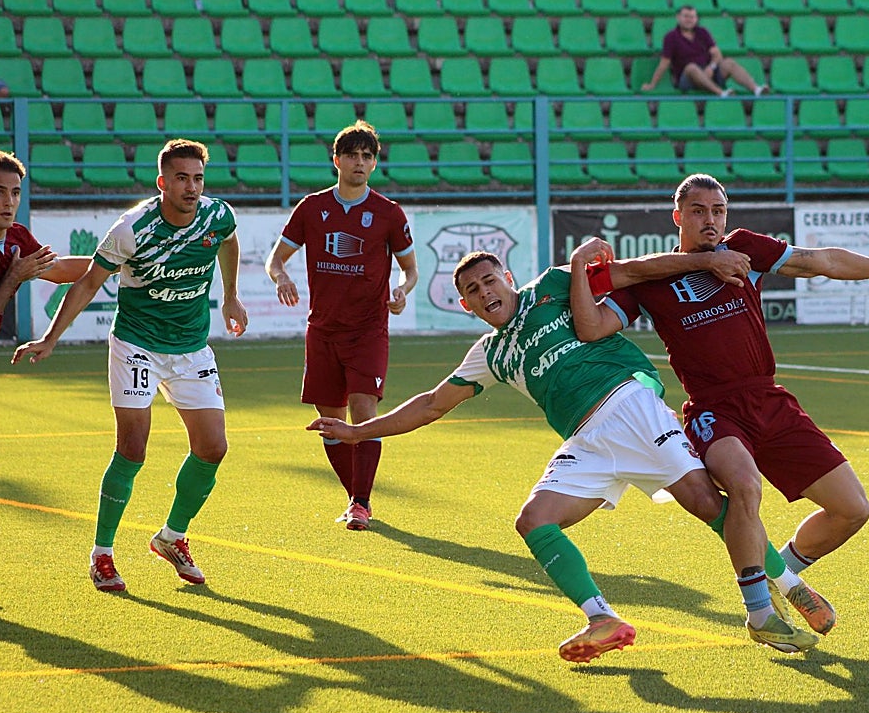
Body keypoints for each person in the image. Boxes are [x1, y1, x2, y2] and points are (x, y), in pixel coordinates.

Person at [308, 248, 822, 663]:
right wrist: (358, 432)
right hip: (586, 439)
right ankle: (602, 617)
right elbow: (431, 404)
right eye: (473, 291)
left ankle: (787, 585)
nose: (485, 292)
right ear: (465, 305)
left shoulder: (553, 285)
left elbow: (635, 271)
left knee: (708, 505)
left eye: (490, 281)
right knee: (534, 521)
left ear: (508, 278)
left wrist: (706, 260)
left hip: (629, 405)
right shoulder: (489, 353)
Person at [570, 174, 869, 627]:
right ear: (677, 217)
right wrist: (579, 267)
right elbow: (591, 327)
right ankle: (760, 613)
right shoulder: (650, 277)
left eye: (718, 211)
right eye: (698, 211)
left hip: (769, 400)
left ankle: (779, 574)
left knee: (852, 509)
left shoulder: (743, 249)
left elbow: (821, 261)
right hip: (714, 410)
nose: (710, 220)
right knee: (745, 487)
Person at [13, 139, 248, 593]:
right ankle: (102, 554)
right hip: (136, 345)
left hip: (191, 349)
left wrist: (232, 295)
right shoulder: (132, 228)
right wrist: (51, 337)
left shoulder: (217, 215)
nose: (192, 187)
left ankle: (172, 537)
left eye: (198, 178)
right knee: (133, 448)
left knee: (213, 447)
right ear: (162, 182)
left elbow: (229, 241)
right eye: (182, 178)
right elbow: (88, 283)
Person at [265, 121, 418, 532]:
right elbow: (275, 259)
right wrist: (281, 277)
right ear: (336, 160)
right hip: (323, 330)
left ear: (375, 163)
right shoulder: (311, 208)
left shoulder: (388, 213)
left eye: (367, 156)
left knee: (363, 413)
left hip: (368, 329)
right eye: (352, 155)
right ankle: (355, 496)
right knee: (330, 421)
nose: (359, 162)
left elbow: (410, 270)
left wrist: (401, 290)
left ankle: (360, 503)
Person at [0, 150, 91, 604]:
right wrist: (15, 277)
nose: (8, 202)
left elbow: (57, 271)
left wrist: (116, 262)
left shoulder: (17, 238)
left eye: (15, 193)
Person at [642, 5, 765, 97]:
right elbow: (664, 63)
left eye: (692, 17)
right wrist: (652, 84)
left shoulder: (703, 32)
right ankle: (721, 93)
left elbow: (717, 54)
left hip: (708, 72)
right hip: (688, 79)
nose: (689, 20)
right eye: (686, 16)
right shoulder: (671, 37)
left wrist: (711, 67)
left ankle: (756, 89)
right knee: (691, 67)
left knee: (729, 63)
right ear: (678, 17)